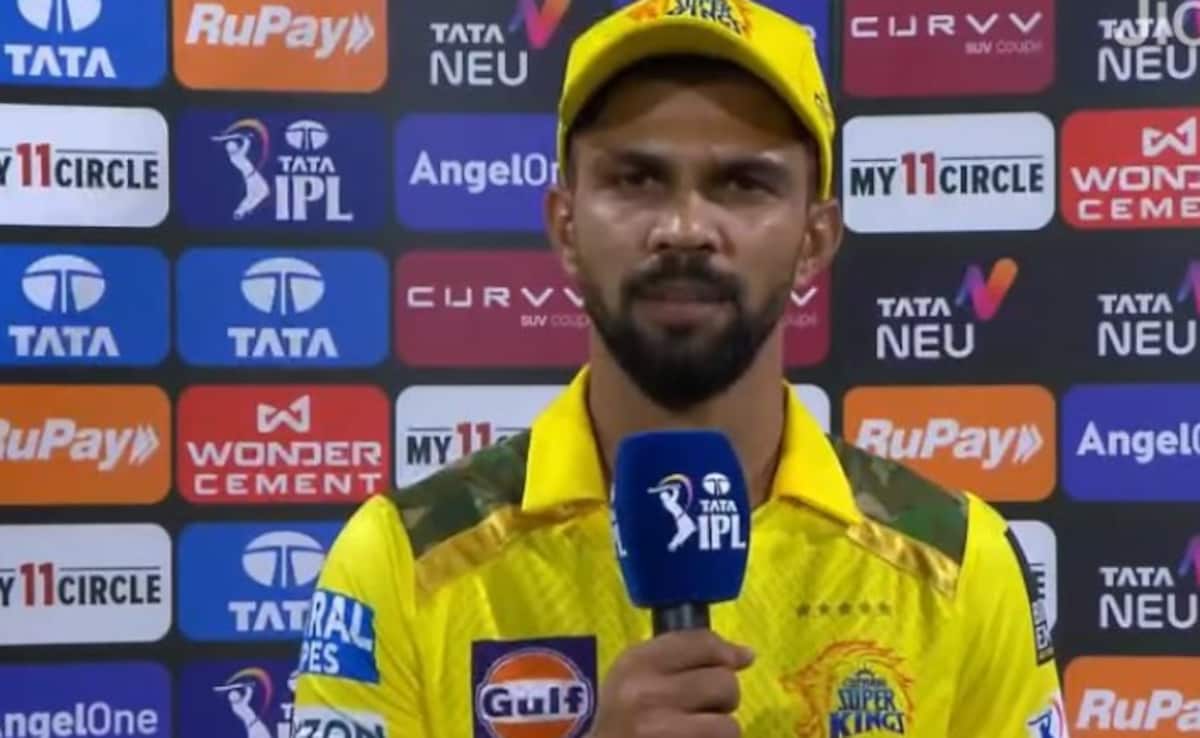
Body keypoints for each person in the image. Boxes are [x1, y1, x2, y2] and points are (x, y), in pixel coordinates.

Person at [291, 0, 1067, 736]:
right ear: (564, 225)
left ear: (815, 240)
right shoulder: (402, 561)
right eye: (636, 179)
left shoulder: (959, 567)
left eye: (742, 183)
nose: (685, 228)